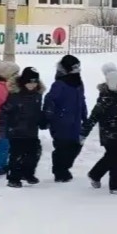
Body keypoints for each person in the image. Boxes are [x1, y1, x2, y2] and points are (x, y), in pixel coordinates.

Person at [0, 67, 47, 188]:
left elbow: (37, 111)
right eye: (29, 82)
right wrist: (4, 129)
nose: (32, 85)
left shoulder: (37, 95)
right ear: (23, 82)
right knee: (17, 156)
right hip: (16, 131)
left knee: (34, 153)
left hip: (32, 131)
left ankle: (28, 173)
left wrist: (42, 120)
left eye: (35, 82)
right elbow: (4, 112)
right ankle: (13, 178)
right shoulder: (15, 96)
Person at [44, 55, 87, 183]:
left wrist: (84, 116)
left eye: (78, 66)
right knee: (62, 147)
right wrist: (48, 115)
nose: (77, 69)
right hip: (60, 121)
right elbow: (50, 100)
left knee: (75, 146)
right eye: (74, 67)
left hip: (75, 121)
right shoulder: (59, 84)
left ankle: (64, 168)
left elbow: (82, 100)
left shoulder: (78, 83)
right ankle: (59, 171)